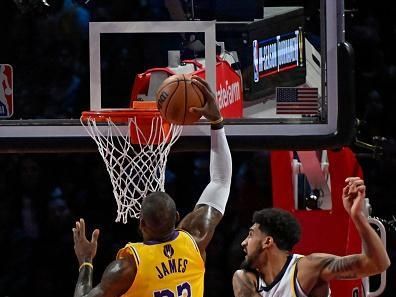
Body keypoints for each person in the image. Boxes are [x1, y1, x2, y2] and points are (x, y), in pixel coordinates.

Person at [72, 75, 232, 297]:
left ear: (141, 223)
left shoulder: (128, 267)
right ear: (177, 217)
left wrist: (86, 262)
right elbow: (221, 181)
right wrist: (217, 122)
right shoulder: (195, 240)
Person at [232, 177, 390, 297]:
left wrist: (357, 216)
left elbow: (377, 263)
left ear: (268, 241)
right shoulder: (244, 279)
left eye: (251, 235)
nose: (243, 243)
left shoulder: (309, 267)